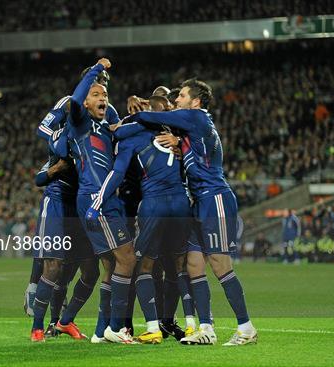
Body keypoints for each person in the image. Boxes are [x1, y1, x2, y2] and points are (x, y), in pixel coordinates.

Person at [123, 78, 257, 346]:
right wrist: (179, 143)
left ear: (195, 101)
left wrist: (140, 108)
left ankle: (246, 328)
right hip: (197, 202)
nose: (178, 100)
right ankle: (206, 328)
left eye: (182, 96)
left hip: (215, 198)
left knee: (220, 265)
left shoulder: (198, 117)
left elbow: (157, 116)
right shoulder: (191, 129)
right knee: (194, 263)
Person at [86, 116, 194, 344]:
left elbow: (116, 174)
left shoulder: (129, 141)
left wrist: (96, 204)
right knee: (180, 265)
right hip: (181, 201)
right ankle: (193, 325)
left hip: (154, 204)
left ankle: (153, 328)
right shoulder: (171, 135)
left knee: (143, 265)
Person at [53, 59, 136, 344]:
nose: (102, 98)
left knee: (112, 267)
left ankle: (101, 332)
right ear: (86, 101)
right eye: (96, 95)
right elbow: (76, 98)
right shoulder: (78, 120)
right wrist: (92, 71)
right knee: (128, 258)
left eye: (105, 95)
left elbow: (121, 128)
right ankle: (115, 326)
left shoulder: (106, 122)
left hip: (102, 199)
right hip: (94, 198)